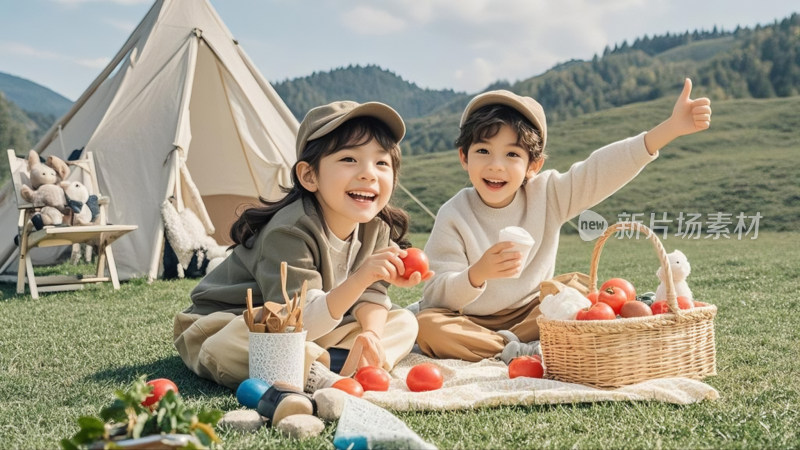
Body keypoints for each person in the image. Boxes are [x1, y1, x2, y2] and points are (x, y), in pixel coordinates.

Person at [416, 79, 712, 362]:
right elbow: (436, 293)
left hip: (535, 312)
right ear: (464, 157)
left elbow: (600, 170)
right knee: (428, 326)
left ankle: (525, 342)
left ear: (534, 165)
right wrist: (476, 273)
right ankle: (515, 350)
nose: (496, 166)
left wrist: (669, 129)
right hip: (471, 321)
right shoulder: (454, 213)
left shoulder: (547, 194)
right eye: (483, 151)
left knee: (579, 288)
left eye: (512, 154)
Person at [173, 100, 431, 390]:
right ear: (309, 176)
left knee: (404, 322)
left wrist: (371, 332)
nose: (369, 173)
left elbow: (371, 294)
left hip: (312, 327)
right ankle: (322, 369)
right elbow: (299, 319)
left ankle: (334, 362)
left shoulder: (377, 226)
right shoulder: (290, 230)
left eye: (381, 162)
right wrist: (361, 277)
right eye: (349, 159)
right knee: (227, 345)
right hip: (233, 322)